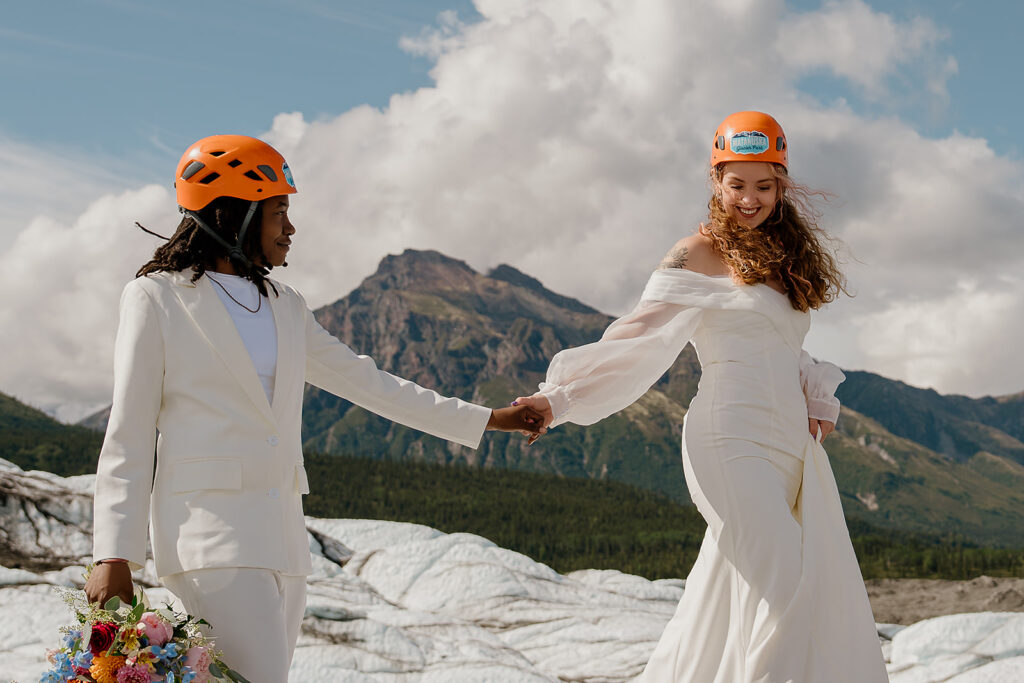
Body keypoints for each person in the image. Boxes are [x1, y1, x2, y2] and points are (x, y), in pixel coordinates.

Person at [84, 134, 544, 682]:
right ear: (236, 213)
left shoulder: (286, 304)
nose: (290, 227)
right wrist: (113, 554)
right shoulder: (158, 297)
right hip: (209, 539)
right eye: (279, 211)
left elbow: (371, 384)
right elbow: (129, 432)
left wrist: (487, 419)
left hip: (283, 541)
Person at [515, 112, 887, 681]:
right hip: (729, 438)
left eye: (764, 185)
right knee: (786, 586)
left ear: (781, 186)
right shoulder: (697, 252)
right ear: (716, 181)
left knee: (728, 603)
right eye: (736, 184)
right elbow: (636, 336)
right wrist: (557, 399)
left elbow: (783, 347)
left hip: (791, 448)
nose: (750, 198)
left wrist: (817, 397)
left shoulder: (781, 260)